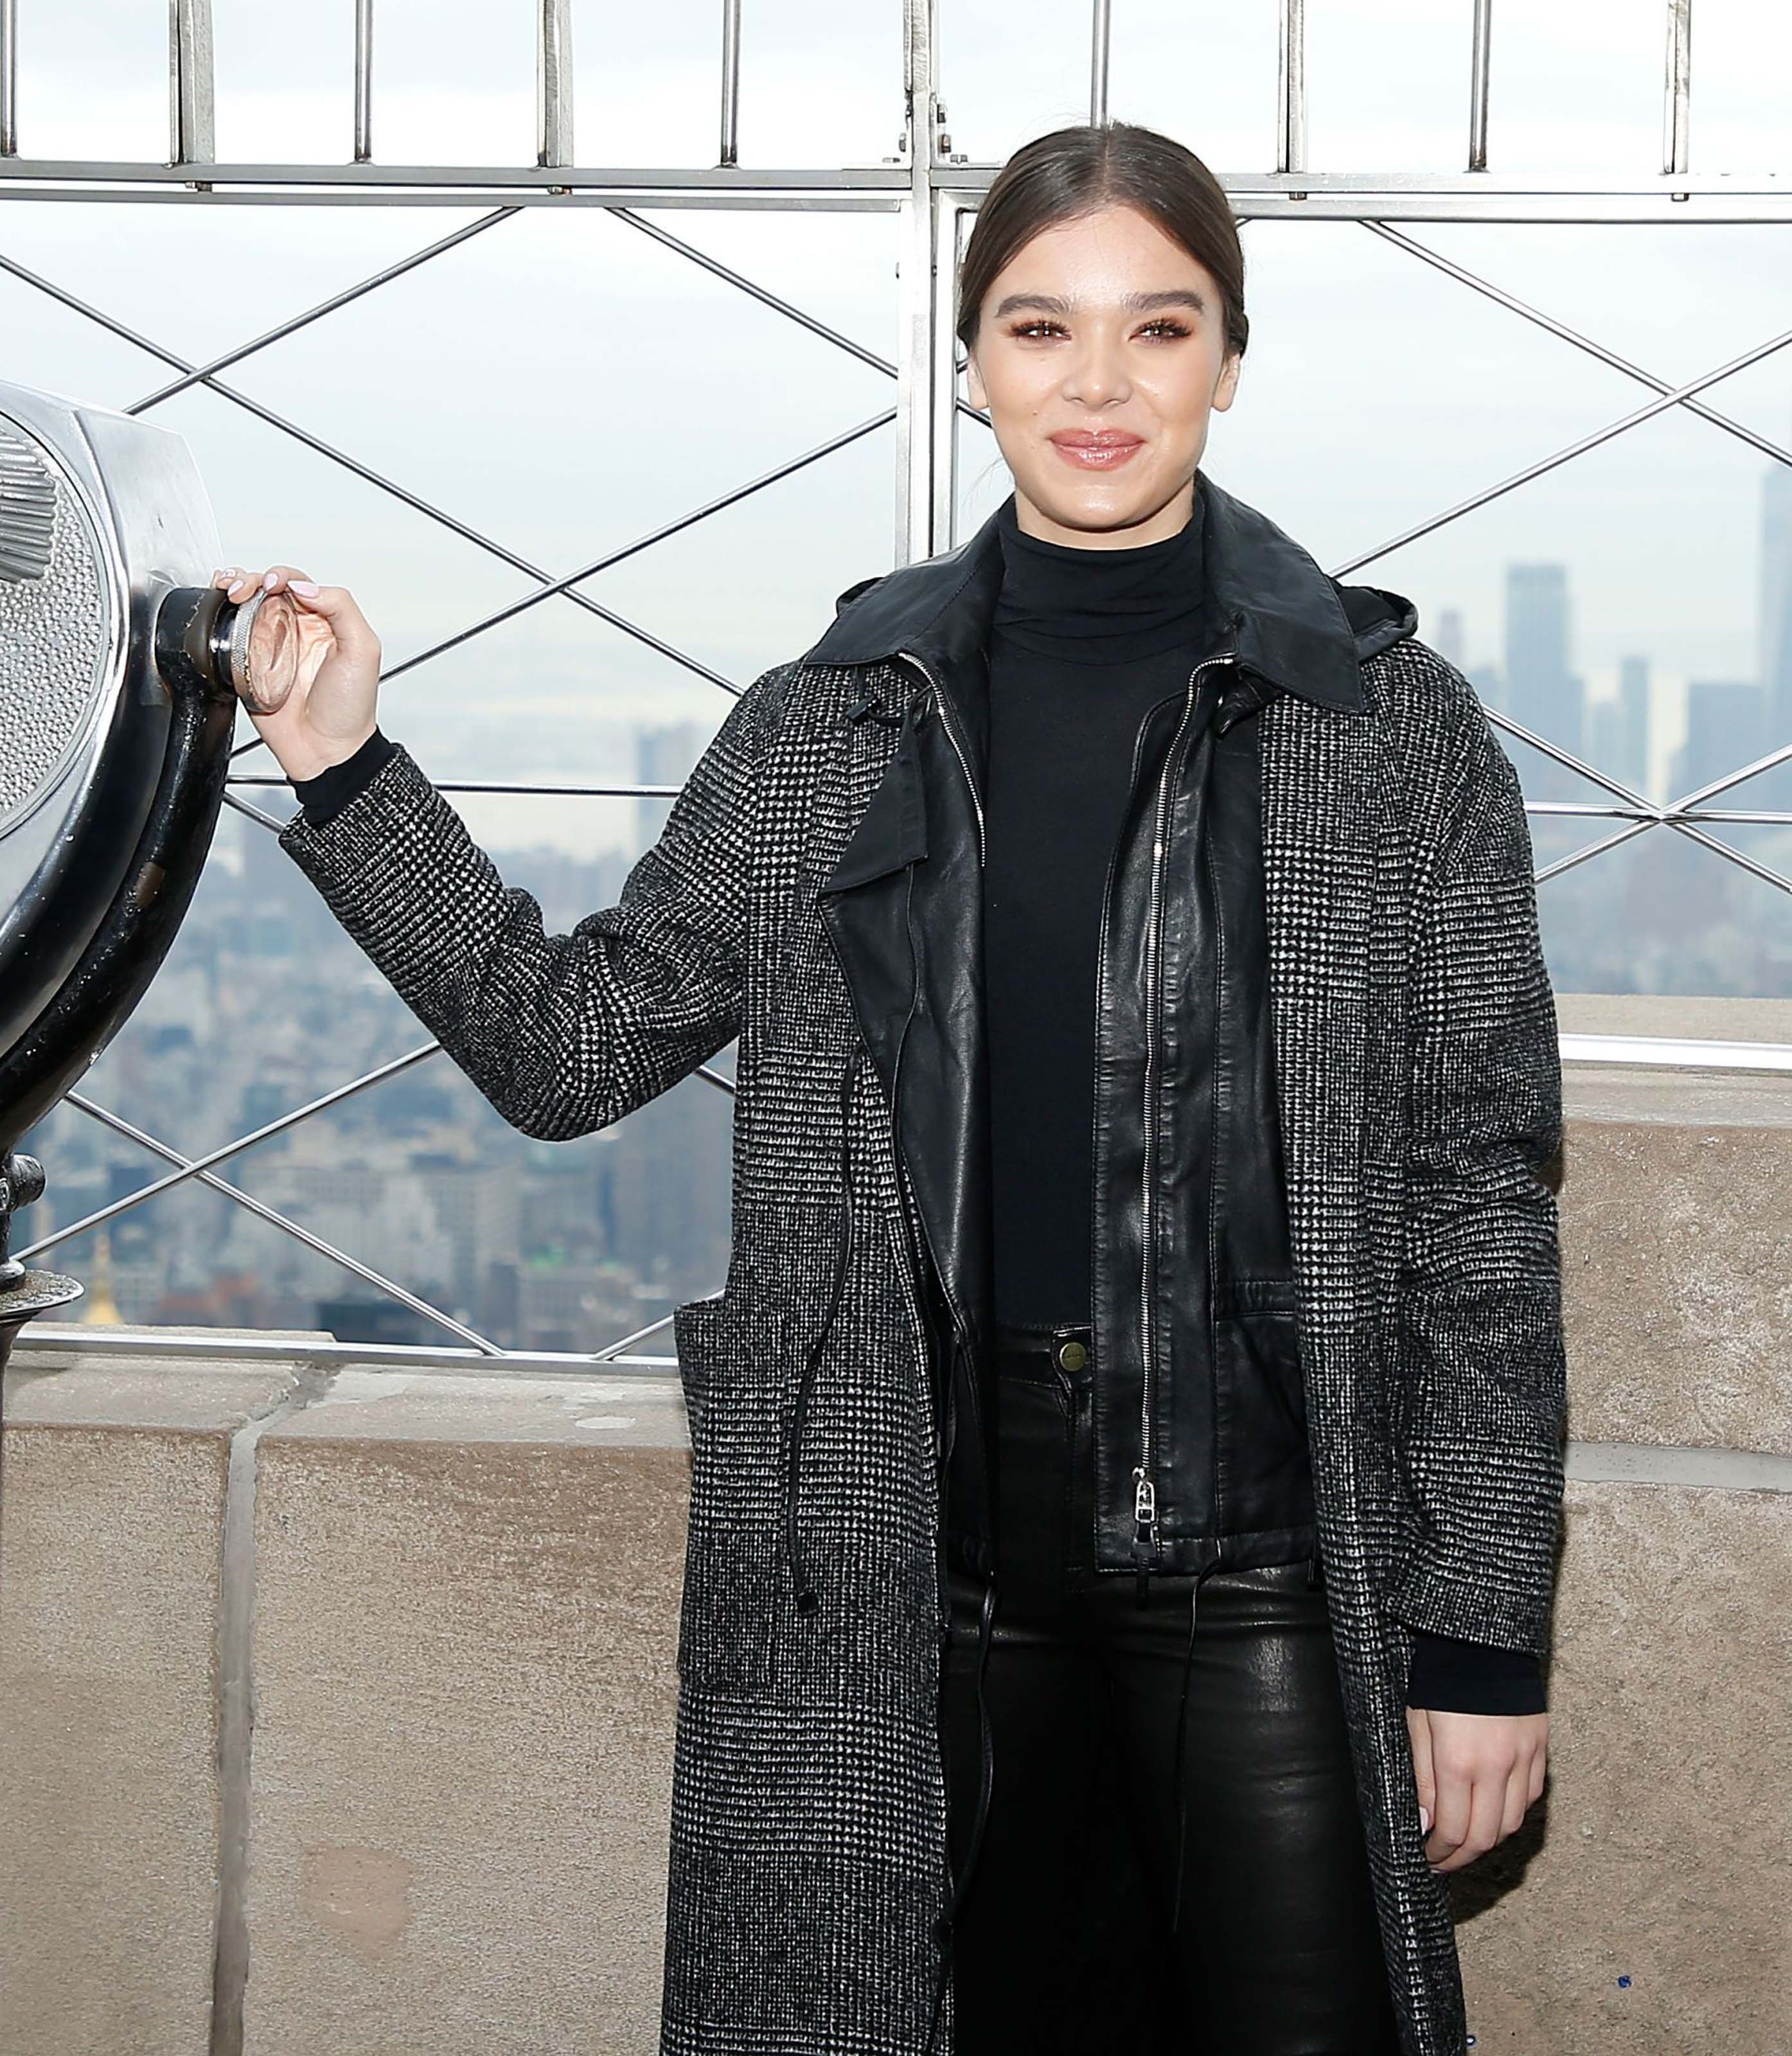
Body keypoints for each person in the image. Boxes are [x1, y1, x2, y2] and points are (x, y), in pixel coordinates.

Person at [218, 120, 1566, 2056]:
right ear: (971, 361)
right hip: (913, 1566)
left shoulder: (1385, 728)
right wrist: (349, 769)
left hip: (1274, 1557)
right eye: (1040, 329)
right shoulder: (835, 719)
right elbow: (570, 1045)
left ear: (1230, 361)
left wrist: (1483, 1632)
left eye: (1156, 329)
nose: (1097, 386)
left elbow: (1476, 1204)